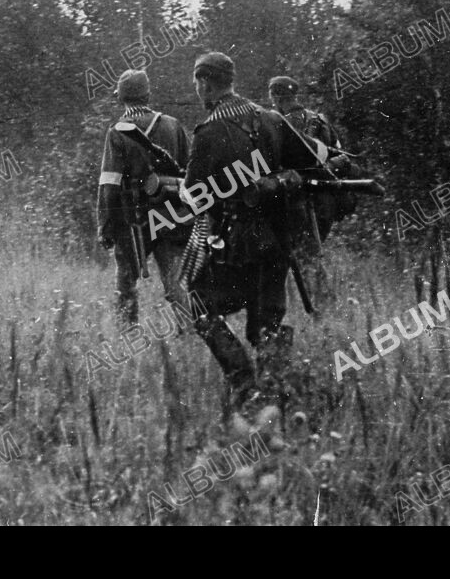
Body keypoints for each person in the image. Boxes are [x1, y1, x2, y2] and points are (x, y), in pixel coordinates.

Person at [181, 53, 329, 411]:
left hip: (234, 244)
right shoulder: (272, 119)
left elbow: (196, 195)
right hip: (278, 241)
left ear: (205, 82)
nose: (198, 89)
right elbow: (313, 163)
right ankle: (278, 397)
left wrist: (188, 192)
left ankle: (245, 386)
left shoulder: (209, 132)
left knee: (200, 304)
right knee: (267, 321)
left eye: (198, 83)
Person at [97, 69, 191, 326]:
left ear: (121, 98)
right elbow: (189, 174)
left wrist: (105, 224)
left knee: (126, 284)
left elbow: (109, 184)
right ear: (148, 94)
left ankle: (127, 335)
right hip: (173, 216)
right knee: (176, 284)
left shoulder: (118, 132)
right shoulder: (173, 125)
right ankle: (193, 331)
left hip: (134, 221)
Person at [267, 75, 351, 306]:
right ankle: (315, 304)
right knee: (308, 256)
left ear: (275, 96)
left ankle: (323, 307)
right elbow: (339, 154)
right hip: (327, 201)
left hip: (302, 204)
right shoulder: (320, 120)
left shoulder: (283, 124)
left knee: (305, 259)